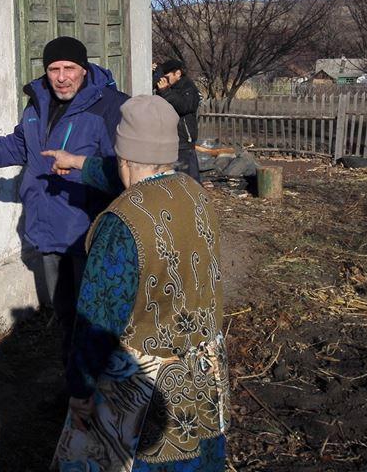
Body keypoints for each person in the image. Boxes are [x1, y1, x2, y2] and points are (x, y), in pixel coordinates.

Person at [43, 95, 230, 472]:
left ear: (123, 156)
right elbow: (132, 175)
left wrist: (79, 391)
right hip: (204, 369)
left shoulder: (120, 224)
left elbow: (97, 322)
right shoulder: (195, 193)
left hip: (146, 388)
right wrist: (78, 163)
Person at [0, 36, 127, 361]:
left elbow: (124, 171)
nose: (62, 76)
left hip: (90, 233)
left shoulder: (110, 106)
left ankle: (103, 389)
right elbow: (20, 146)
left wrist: (79, 167)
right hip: (50, 229)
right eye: (54, 69)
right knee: (65, 313)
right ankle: (73, 383)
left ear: (84, 69)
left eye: (69, 68)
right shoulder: (37, 103)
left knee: (97, 319)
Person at [154, 59, 202, 182]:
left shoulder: (188, 88)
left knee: (189, 178)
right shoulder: (168, 89)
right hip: (168, 140)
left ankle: (195, 200)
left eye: (167, 76)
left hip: (184, 142)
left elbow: (184, 106)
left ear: (178, 73)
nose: (163, 80)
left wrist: (165, 92)